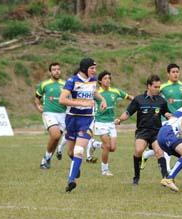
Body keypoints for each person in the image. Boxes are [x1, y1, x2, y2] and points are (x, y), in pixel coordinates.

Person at [59, 57, 107, 192]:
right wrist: (82, 103)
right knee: (70, 151)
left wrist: (102, 99)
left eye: (95, 68)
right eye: (92, 68)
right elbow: (62, 100)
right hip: (72, 119)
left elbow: (94, 91)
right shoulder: (72, 81)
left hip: (87, 120)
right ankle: (76, 166)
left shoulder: (92, 80)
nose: (94, 71)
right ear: (84, 68)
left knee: (79, 150)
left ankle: (71, 181)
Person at [115, 74, 171, 186]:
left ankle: (166, 178)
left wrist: (169, 115)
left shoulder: (161, 101)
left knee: (159, 152)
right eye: (155, 87)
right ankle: (136, 177)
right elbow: (128, 113)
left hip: (156, 132)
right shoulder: (138, 99)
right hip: (142, 131)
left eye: (159, 87)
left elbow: (165, 112)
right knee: (139, 150)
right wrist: (120, 119)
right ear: (149, 86)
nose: (158, 89)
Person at [142, 63, 182, 170]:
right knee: (169, 143)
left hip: (180, 121)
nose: (176, 74)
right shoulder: (163, 87)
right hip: (166, 120)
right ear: (168, 74)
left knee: (166, 145)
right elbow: (151, 95)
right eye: (173, 72)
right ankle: (167, 171)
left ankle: (147, 154)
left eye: (177, 72)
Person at [90, 70, 134, 176]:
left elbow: (129, 97)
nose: (108, 80)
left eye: (109, 78)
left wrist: (139, 100)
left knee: (112, 148)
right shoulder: (96, 93)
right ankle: (105, 170)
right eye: (105, 78)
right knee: (107, 145)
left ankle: (93, 144)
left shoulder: (116, 91)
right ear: (100, 81)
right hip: (100, 122)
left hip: (111, 123)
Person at [34, 62, 67, 169]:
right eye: (54, 69)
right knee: (56, 135)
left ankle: (46, 159)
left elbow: (70, 98)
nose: (57, 71)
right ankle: (46, 159)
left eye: (58, 69)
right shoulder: (44, 85)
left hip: (63, 114)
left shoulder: (66, 84)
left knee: (56, 139)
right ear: (50, 72)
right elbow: (37, 98)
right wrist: (38, 106)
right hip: (49, 113)